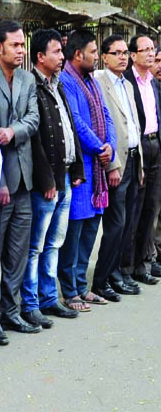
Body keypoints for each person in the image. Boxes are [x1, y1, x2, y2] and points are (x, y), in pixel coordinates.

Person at [0, 20, 40, 344]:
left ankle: (10, 311)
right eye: (14, 45)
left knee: (18, 253)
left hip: (25, 180)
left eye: (22, 44)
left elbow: (33, 118)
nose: (20, 50)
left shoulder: (28, 79)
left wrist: (13, 131)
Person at [21, 29, 84, 329]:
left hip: (66, 177)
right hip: (46, 184)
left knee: (54, 244)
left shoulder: (57, 85)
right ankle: (30, 303)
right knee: (35, 246)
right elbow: (34, 139)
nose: (62, 56)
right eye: (57, 52)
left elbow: (69, 128)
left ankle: (49, 299)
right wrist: (46, 180)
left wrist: (78, 170)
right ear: (40, 57)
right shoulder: (31, 86)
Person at [58, 29, 116, 310]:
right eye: (94, 52)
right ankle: (70, 291)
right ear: (78, 54)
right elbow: (76, 122)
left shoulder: (92, 82)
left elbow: (106, 115)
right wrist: (99, 147)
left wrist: (110, 148)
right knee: (75, 232)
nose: (97, 57)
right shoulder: (66, 81)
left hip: (99, 169)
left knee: (91, 229)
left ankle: (82, 286)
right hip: (82, 168)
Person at [94, 34, 144, 298]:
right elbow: (103, 125)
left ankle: (116, 273)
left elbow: (133, 123)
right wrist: (112, 165)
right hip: (116, 162)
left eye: (126, 52)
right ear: (104, 56)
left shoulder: (127, 83)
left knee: (127, 223)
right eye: (117, 53)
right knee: (115, 223)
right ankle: (103, 278)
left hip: (135, 158)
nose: (123, 57)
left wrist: (142, 164)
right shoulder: (99, 81)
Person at [124, 34, 161, 286]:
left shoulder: (154, 84)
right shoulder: (126, 82)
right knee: (134, 209)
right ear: (133, 55)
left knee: (151, 207)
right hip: (137, 149)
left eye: (152, 49)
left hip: (155, 144)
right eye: (144, 50)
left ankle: (142, 264)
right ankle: (125, 267)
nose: (150, 53)